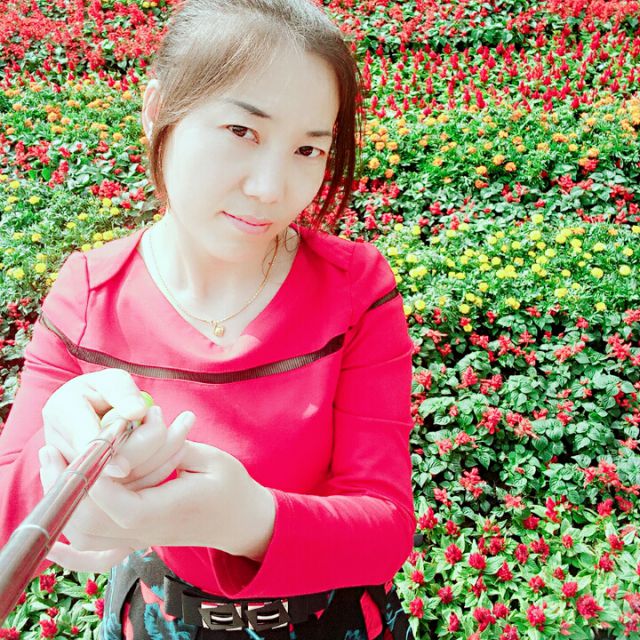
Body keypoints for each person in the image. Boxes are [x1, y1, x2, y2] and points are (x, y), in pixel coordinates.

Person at [0, 1, 416, 638]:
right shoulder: (90, 295)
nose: (271, 188)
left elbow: (384, 530)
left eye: (309, 148)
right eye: (241, 131)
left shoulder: (355, 291)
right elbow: (13, 510)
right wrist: (60, 447)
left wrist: (247, 518)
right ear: (158, 109)